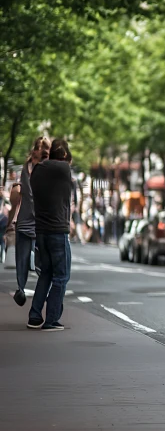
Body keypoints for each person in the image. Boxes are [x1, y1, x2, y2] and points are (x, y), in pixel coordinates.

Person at [28, 138, 72, 331]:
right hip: (57, 230)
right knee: (61, 276)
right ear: (64, 156)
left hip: (41, 231)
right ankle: (51, 319)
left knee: (45, 273)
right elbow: (65, 164)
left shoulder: (36, 171)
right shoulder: (63, 169)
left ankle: (35, 315)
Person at [7, 136, 50, 307]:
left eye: (40, 156)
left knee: (40, 262)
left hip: (40, 222)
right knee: (23, 259)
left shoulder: (44, 169)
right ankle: (21, 289)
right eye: (34, 156)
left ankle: (41, 291)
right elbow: (26, 196)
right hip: (28, 221)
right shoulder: (27, 169)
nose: (36, 160)